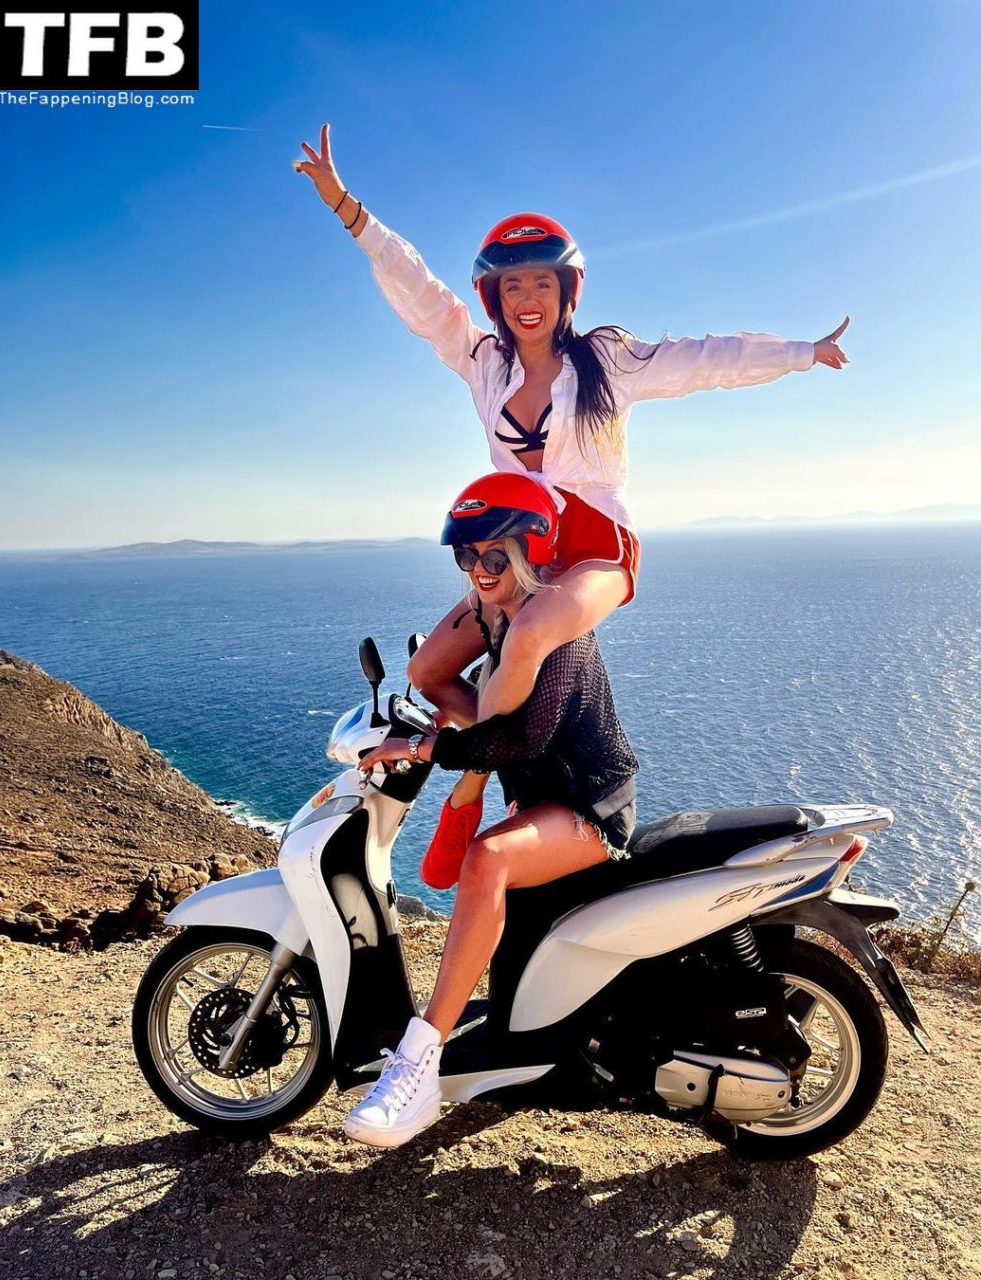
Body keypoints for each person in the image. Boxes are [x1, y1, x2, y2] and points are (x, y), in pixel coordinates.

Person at [294, 122, 849, 868]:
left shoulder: (607, 362)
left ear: (567, 292)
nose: (527, 299)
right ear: (494, 296)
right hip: (522, 553)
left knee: (525, 638)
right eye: (512, 285)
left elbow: (704, 360)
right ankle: (512, 759)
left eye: (542, 284)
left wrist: (802, 352)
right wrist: (348, 209)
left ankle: (470, 791)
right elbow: (422, 297)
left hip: (594, 550)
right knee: (427, 672)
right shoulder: (483, 363)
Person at [343, 474, 639, 1147]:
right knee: (484, 862)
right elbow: (439, 679)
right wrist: (437, 727)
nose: (479, 569)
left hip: (589, 804)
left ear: (532, 553)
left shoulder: (556, 631)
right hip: (542, 796)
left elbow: (521, 738)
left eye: (495, 556)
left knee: (487, 859)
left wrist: (425, 747)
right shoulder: (494, 619)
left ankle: (419, 1065)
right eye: (467, 555)